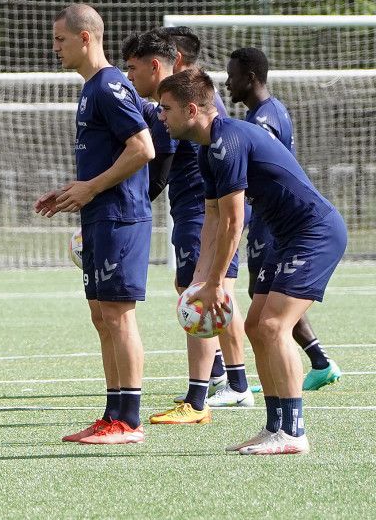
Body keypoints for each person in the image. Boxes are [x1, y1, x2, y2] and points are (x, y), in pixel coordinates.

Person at [157, 69, 347, 455]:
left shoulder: (227, 141)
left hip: (315, 233)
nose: (161, 116)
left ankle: (294, 433)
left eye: (166, 109)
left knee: (275, 324)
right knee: (257, 326)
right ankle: (275, 426)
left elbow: (232, 221)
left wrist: (214, 283)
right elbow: (211, 217)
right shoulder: (207, 149)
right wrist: (199, 280)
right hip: (287, 237)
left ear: (192, 109)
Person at [36, 4, 155, 444]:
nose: (55, 48)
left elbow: (142, 148)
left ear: (86, 38)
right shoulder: (91, 88)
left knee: (119, 316)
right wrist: (74, 190)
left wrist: (92, 188)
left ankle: (130, 420)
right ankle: (113, 414)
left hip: (121, 215)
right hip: (101, 215)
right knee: (101, 316)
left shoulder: (109, 85)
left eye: (60, 39)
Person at [122, 30, 240, 425]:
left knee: (200, 294)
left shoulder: (180, 106)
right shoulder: (174, 103)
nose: (130, 76)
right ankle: (220, 379)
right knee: (195, 291)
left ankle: (199, 399)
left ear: (157, 65)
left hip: (199, 211)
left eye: (133, 69)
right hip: (195, 209)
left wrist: (128, 206)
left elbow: (161, 167)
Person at [226, 47, 343, 391]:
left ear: (250, 78)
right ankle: (312, 362)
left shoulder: (264, 119)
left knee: (272, 315)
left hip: (281, 224)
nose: (227, 83)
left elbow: (263, 174)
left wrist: (239, 217)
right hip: (272, 220)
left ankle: (309, 367)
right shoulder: (260, 115)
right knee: (263, 307)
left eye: (232, 76)